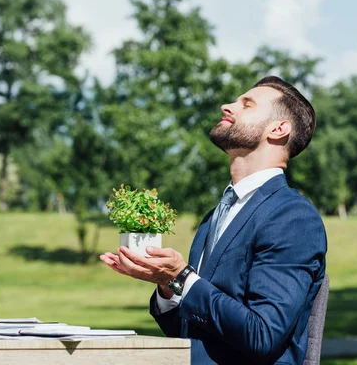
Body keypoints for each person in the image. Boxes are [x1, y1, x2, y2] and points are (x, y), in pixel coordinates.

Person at [100, 75, 327, 364]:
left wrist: (182, 277)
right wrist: (168, 286)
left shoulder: (292, 217)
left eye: (246, 104)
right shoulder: (216, 215)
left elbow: (263, 335)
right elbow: (192, 336)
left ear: (279, 129)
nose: (227, 106)